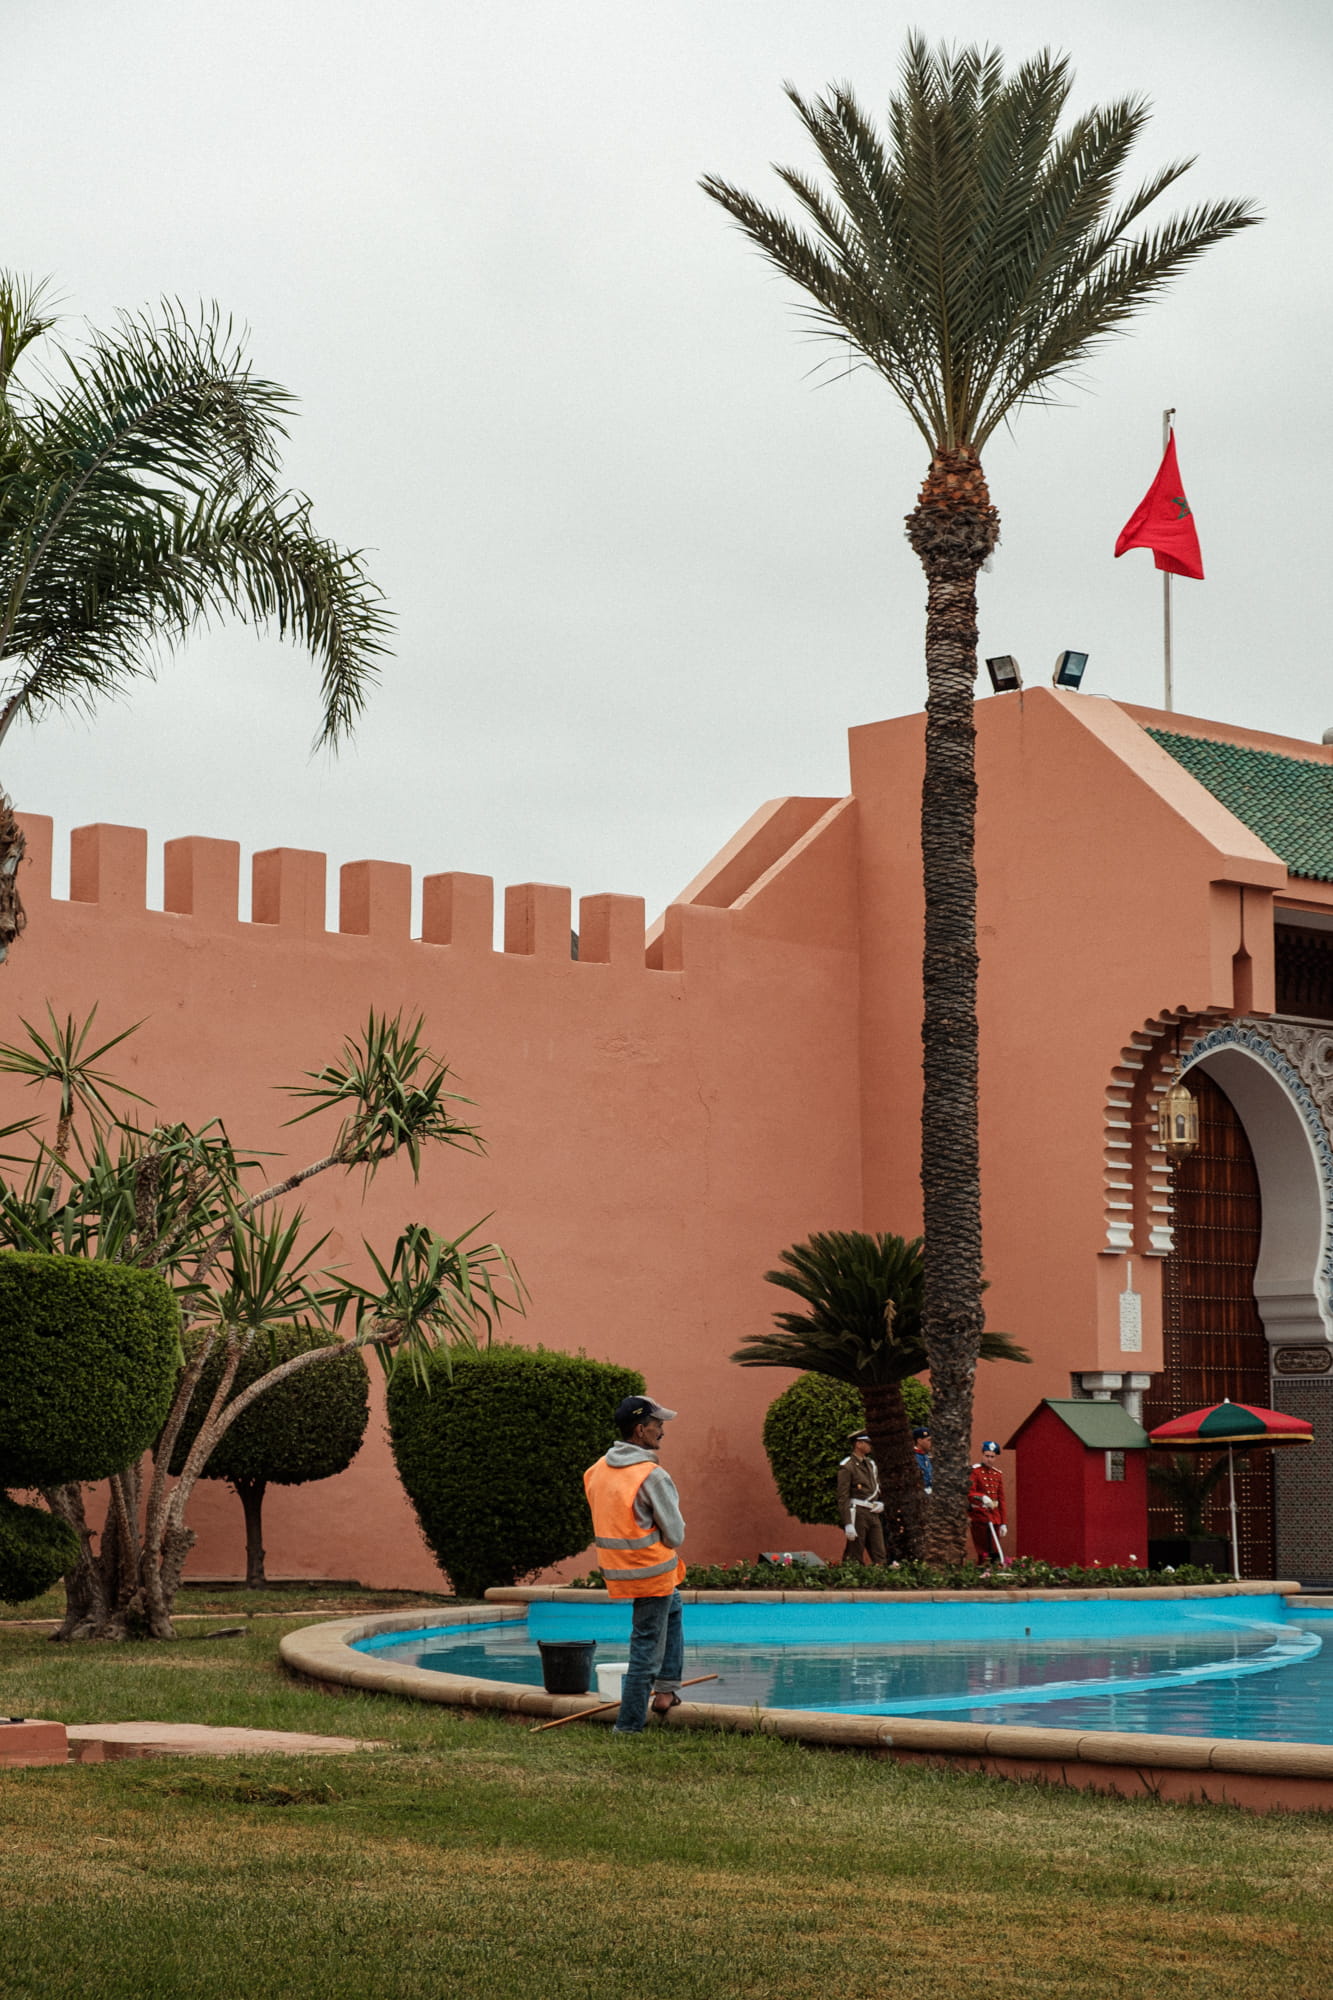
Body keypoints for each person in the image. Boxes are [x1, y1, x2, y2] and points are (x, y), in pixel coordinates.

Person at [583, 1394, 687, 1735]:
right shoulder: (652, 1476)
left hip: (619, 1569)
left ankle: (666, 1691)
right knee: (645, 1646)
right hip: (652, 1571)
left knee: (674, 1608)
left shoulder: (595, 1471)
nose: (662, 1432)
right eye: (658, 1425)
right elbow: (675, 1535)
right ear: (640, 1430)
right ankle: (628, 1726)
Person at [836, 1430, 886, 1565]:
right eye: (867, 1443)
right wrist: (848, 1523)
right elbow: (843, 1496)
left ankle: (881, 1574)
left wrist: (880, 1503)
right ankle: (851, 1575)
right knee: (855, 1552)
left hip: (873, 1511)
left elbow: (876, 1486)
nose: (870, 1446)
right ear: (858, 1444)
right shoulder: (848, 1466)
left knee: (880, 1552)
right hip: (857, 1512)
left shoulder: (870, 1464)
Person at [968, 1440, 1008, 1562]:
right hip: (980, 1516)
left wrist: (1003, 1523)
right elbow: (970, 1493)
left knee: (995, 1549)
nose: (989, 1459)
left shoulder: (997, 1474)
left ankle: (993, 1569)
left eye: (992, 1457)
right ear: (983, 1455)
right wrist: (982, 1497)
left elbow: (1001, 1500)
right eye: (987, 1456)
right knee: (983, 1551)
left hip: (995, 1517)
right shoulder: (975, 1471)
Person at [912, 1426, 933, 1496]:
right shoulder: (914, 1457)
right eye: (928, 1440)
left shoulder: (925, 1456)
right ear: (919, 1441)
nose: (930, 1443)